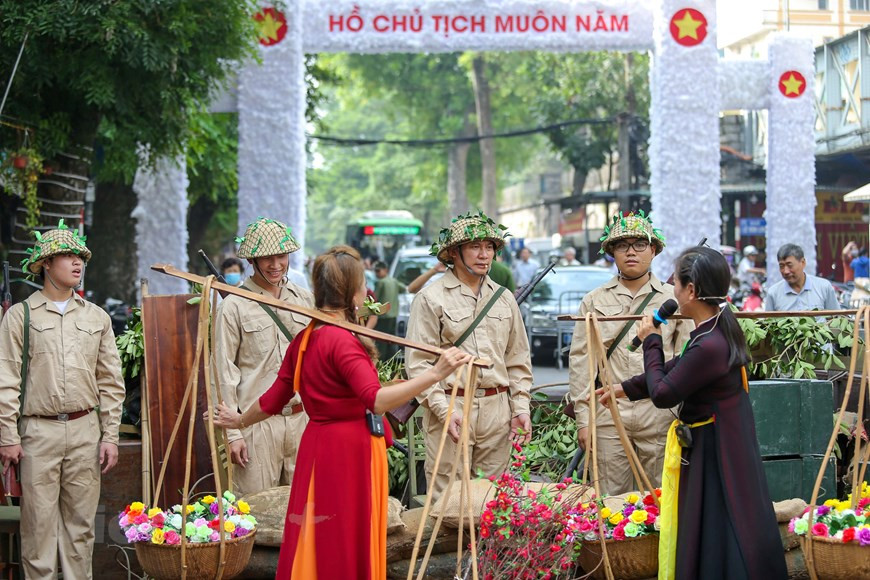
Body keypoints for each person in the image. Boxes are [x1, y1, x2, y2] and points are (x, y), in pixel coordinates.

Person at [210, 245, 471, 578]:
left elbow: (273, 400)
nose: (366, 291)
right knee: (346, 537)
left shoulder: (306, 338)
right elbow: (374, 400)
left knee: (319, 536)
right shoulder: (342, 341)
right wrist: (434, 374)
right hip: (350, 453)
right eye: (362, 285)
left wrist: (239, 420)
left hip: (317, 446)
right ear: (351, 292)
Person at [599, 246, 787, 580]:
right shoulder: (713, 328)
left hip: (718, 450)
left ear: (691, 291)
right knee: (713, 523)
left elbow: (664, 393)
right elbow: (679, 368)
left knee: (722, 524)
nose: (672, 289)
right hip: (716, 442)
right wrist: (624, 387)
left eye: (676, 283)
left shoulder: (711, 342)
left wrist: (651, 341)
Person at [0, 220, 125, 579]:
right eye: (67, 256)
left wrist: (110, 435)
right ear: (45, 265)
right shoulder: (20, 316)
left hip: (86, 430)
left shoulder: (97, 317)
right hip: (38, 433)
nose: (77, 263)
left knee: (80, 530)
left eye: (80, 257)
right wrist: (8, 435)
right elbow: (6, 379)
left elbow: (111, 383)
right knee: (38, 529)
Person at [405, 211, 533, 499]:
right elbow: (418, 365)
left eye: (489, 247)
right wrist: (443, 410)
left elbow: (518, 361)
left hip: (497, 410)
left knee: (494, 499)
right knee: (447, 500)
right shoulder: (430, 298)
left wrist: (520, 408)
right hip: (452, 406)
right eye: (475, 246)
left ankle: (486, 548)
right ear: (454, 253)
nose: (484, 255)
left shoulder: (504, 298)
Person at [568, 210, 693, 495]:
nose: (631, 252)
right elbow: (581, 364)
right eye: (622, 246)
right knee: (611, 501)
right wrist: (584, 420)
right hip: (609, 413)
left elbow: (686, 357)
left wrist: (682, 412)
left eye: (639, 244)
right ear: (612, 253)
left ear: (653, 250)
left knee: (662, 499)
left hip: (660, 413)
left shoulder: (672, 298)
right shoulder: (594, 300)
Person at [214, 217, 314, 496]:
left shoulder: (305, 300)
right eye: (266, 258)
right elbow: (223, 373)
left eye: (281, 256)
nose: (275, 265)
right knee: (253, 511)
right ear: (252, 261)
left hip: (301, 420)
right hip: (255, 425)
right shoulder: (233, 306)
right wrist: (233, 434)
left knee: (305, 511)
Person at [765, 243, 840, 311]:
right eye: (781, 266)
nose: (786, 271)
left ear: (803, 263)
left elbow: (837, 319)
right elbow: (768, 323)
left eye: (790, 265)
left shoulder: (824, 287)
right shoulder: (773, 293)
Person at [372, 260, 406, 359]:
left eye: (378, 271)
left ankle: (381, 361)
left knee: (381, 340)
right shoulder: (394, 281)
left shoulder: (380, 282)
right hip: (393, 315)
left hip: (383, 316)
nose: (377, 273)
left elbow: (375, 298)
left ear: (385, 270)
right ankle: (392, 360)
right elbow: (404, 288)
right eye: (376, 271)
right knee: (391, 339)